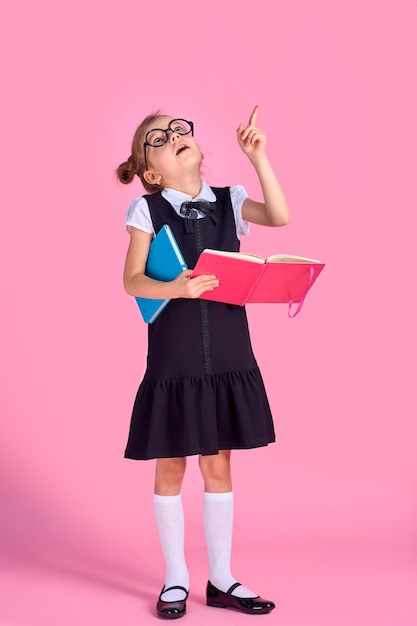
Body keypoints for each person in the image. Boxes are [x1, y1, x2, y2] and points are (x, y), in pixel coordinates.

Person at [117, 106, 289, 618]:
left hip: (231, 353)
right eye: (158, 138)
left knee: (219, 462)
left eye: (178, 129)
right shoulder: (146, 210)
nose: (173, 137)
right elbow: (131, 281)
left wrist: (259, 159)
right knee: (172, 464)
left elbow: (279, 216)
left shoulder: (228, 200)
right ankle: (175, 579)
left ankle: (222, 579)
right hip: (175, 357)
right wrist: (175, 287)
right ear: (151, 172)